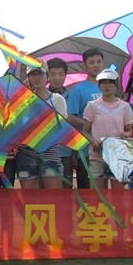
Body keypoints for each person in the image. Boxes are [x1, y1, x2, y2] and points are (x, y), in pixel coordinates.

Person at [15, 63, 67, 189]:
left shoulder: (57, 99)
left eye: (40, 74)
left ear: (47, 76)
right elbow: (16, 127)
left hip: (50, 152)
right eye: (33, 74)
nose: (37, 78)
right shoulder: (21, 100)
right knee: (29, 198)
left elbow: (61, 127)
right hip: (26, 153)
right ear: (28, 78)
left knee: (53, 197)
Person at [83, 68, 133, 190]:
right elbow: (84, 131)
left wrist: (126, 134)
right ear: (99, 85)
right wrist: (93, 142)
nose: (107, 86)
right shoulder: (92, 106)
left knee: (118, 195)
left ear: (116, 85)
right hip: (97, 156)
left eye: (110, 82)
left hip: (118, 156)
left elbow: (129, 130)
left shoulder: (125, 106)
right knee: (97, 195)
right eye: (103, 82)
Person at [67, 49, 104, 188]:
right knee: (87, 190)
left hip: (108, 149)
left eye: (99, 62)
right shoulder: (78, 90)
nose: (96, 65)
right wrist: (91, 125)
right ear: (85, 65)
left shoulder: (110, 88)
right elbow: (70, 117)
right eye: (92, 62)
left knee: (105, 192)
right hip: (86, 149)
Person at [47, 57, 74, 188]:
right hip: (45, 152)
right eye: (53, 74)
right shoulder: (39, 96)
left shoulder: (73, 95)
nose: (57, 78)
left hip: (66, 152)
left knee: (66, 190)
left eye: (60, 74)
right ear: (47, 76)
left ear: (65, 75)